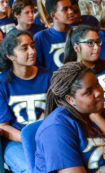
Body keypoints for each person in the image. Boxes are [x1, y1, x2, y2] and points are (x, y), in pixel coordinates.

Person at [34, 62, 105, 173]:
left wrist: (98, 118)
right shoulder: (56, 128)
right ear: (70, 99)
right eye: (88, 92)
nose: (98, 93)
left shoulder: (101, 114)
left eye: (97, 84)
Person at [0, 30, 52, 173]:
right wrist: (31, 139)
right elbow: (3, 127)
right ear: (10, 56)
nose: (32, 51)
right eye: (24, 48)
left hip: (49, 139)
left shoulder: (48, 77)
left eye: (33, 46)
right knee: (31, 169)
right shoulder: (2, 83)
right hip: (16, 142)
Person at [64, 25, 105, 111]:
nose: (96, 47)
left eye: (98, 42)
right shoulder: (69, 75)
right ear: (76, 48)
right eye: (90, 43)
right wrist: (104, 105)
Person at [34, 0, 74, 72]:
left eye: (71, 7)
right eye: (65, 9)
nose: (71, 11)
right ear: (53, 15)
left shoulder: (80, 32)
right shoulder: (41, 37)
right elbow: (38, 68)